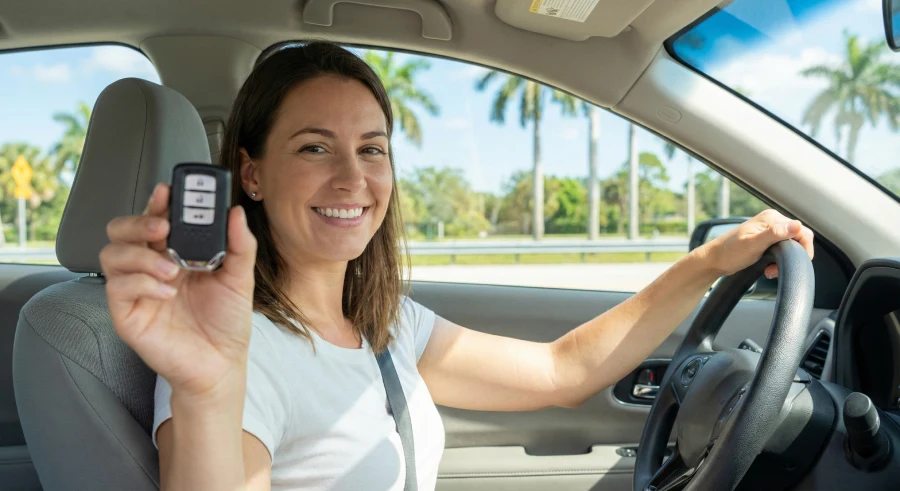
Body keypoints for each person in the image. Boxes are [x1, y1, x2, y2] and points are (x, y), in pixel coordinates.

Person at [98, 41, 815, 491]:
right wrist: (204, 388)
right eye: (315, 148)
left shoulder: (384, 321)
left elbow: (563, 372)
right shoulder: (235, 356)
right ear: (251, 175)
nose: (354, 178)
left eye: (373, 148)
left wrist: (709, 262)